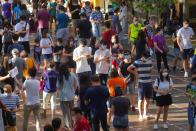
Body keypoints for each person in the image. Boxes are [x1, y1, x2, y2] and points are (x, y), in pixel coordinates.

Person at [127, 51, 153, 121]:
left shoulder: (150, 61)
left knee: (147, 99)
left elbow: (150, 70)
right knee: (140, 99)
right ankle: (140, 115)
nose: (147, 58)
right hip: (141, 83)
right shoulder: (137, 62)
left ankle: (145, 113)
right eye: (146, 57)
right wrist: (136, 73)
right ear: (142, 56)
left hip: (149, 82)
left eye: (148, 57)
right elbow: (129, 68)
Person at [57, 64, 78, 129]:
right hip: (71, 96)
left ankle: (68, 127)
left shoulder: (60, 76)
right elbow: (76, 85)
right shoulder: (72, 74)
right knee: (72, 112)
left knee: (65, 113)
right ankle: (74, 125)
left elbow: (58, 87)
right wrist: (73, 91)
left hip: (63, 97)